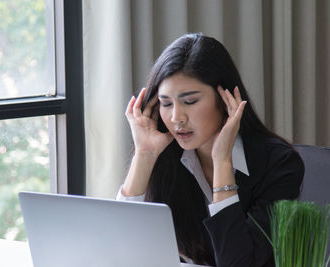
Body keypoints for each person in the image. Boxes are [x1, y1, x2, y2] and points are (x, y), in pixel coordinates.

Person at [116, 33, 304, 266]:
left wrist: (222, 161)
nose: (176, 118)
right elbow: (119, 250)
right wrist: (144, 155)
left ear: (225, 98)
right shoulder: (165, 155)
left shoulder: (279, 164)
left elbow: (238, 263)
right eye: (166, 103)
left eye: (190, 101)